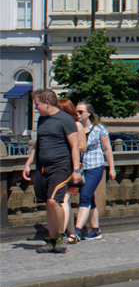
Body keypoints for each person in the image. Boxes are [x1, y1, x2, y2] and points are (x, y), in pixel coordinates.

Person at [23, 88, 82, 253]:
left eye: (37, 104)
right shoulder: (42, 119)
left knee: (53, 201)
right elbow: (38, 144)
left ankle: (60, 236)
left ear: (46, 103)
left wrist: (76, 169)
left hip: (61, 167)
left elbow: (74, 146)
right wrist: (28, 163)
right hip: (43, 167)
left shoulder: (66, 120)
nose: (35, 108)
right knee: (47, 204)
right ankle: (50, 239)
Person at [71, 102, 115, 242]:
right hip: (80, 167)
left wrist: (112, 168)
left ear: (89, 113)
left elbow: (107, 149)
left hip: (95, 166)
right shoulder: (75, 128)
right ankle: (96, 231)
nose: (78, 114)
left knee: (85, 195)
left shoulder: (98, 129)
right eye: (76, 112)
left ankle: (77, 231)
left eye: (81, 112)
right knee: (90, 199)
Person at [55, 98, 86, 243]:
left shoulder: (77, 125)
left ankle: (61, 235)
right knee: (65, 201)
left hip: (71, 165)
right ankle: (72, 234)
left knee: (64, 199)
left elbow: (82, 146)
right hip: (59, 166)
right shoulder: (57, 124)